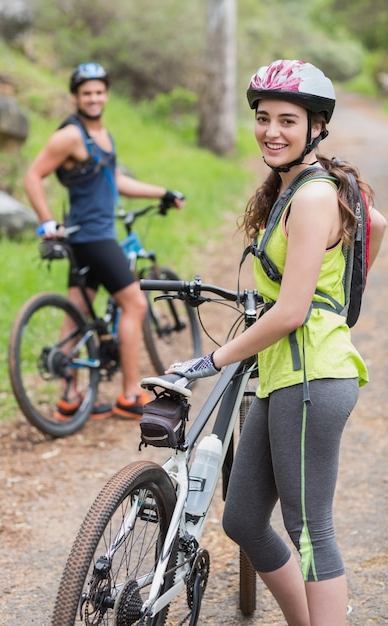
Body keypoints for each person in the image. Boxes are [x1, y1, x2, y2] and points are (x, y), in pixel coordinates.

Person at [165, 60, 386, 625]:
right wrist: (338, 295)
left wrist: (211, 359)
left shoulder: (312, 197)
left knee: (311, 530)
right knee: (242, 518)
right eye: (263, 119)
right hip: (286, 376)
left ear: (316, 127)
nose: (272, 131)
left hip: (313, 378)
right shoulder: (297, 188)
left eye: (288, 120)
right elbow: (376, 224)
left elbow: (289, 311)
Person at [24, 62, 185, 421]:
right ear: (75, 97)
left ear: (106, 95)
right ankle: (129, 395)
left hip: (87, 237)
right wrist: (46, 220)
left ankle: (69, 398)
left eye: (99, 92)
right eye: (86, 93)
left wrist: (162, 192)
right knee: (136, 305)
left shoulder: (101, 134)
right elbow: (33, 176)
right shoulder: (69, 135)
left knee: (78, 311)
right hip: (94, 237)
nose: (94, 98)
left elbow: (117, 183)